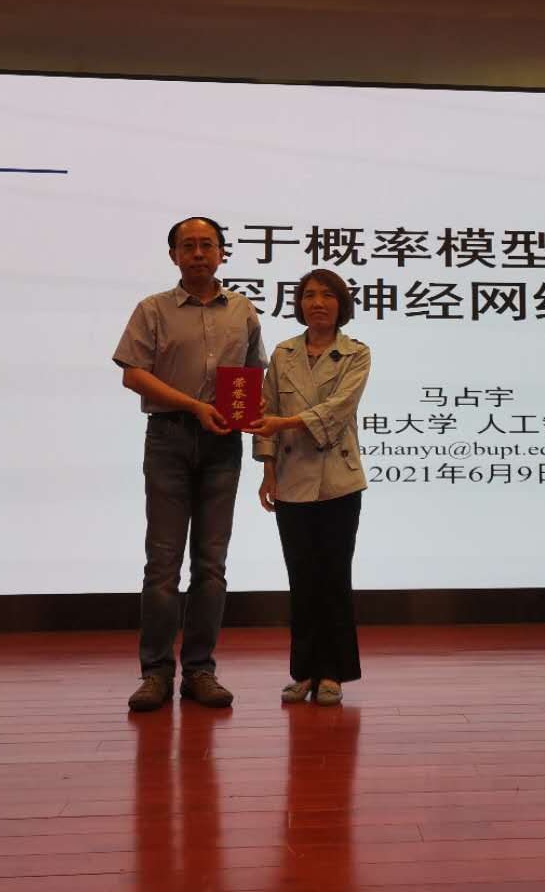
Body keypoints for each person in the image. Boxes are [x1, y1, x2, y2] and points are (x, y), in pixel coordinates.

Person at [114, 217, 267, 711]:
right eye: (188, 246)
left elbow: (253, 376)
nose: (198, 253)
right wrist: (194, 406)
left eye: (207, 245)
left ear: (222, 253)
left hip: (223, 444)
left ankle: (200, 670)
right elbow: (133, 374)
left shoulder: (242, 310)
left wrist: (253, 416)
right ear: (173, 255)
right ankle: (156, 673)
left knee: (211, 564)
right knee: (162, 564)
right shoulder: (153, 309)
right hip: (169, 440)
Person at [248, 269, 371, 707]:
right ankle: (303, 672)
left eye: (327, 295)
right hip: (290, 479)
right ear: (299, 303)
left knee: (334, 577)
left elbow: (339, 409)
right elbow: (264, 411)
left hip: (339, 480)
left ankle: (333, 672)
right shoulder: (283, 353)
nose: (317, 303)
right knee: (301, 579)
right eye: (309, 295)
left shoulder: (356, 353)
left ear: (341, 304)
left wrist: (284, 423)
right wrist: (267, 470)